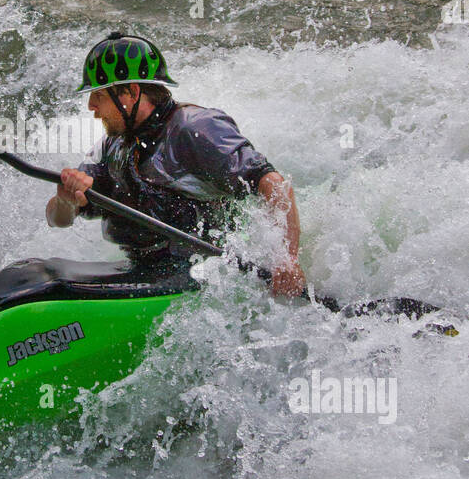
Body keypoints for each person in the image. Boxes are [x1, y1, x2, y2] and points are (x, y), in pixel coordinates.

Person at [46, 31, 306, 298]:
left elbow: (274, 185)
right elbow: (58, 219)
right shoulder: (112, 146)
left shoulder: (195, 130)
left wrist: (286, 259)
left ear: (132, 93)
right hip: (143, 270)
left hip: (205, 275)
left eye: (99, 95)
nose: (91, 106)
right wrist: (67, 200)